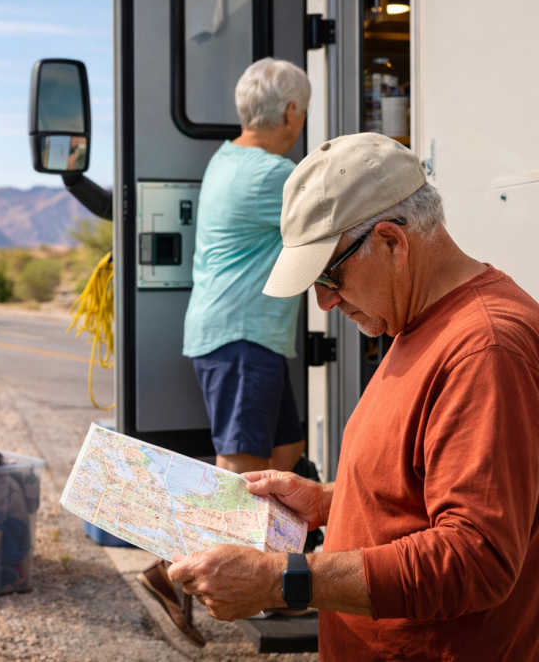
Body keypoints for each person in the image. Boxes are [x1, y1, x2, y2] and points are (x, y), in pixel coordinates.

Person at [167, 133, 539, 661]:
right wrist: (325, 502)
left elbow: (475, 558)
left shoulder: (485, 348)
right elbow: (422, 492)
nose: (323, 301)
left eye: (329, 275)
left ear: (392, 242)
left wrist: (283, 579)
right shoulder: (416, 320)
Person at [137, 57, 313, 646]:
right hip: (241, 338)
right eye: (304, 111)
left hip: (244, 335)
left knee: (286, 452)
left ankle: (276, 580)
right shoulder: (270, 174)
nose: (303, 120)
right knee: (238, 476)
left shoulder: (227, 158)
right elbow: (331, 219)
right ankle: (170, 574)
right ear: (291, 111)